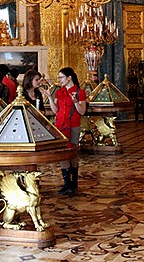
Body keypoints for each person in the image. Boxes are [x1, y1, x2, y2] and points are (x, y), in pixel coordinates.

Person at [41, 67, 86, 195]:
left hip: (73, 125)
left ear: (69, 77)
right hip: (60, 126)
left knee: (72, 153)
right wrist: (49, 97)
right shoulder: (59, 92)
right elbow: (55, 110)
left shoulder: (79, 92)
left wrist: (76, 102)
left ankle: (74, 183)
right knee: (62, 153)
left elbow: (82, 111)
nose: (59, 80)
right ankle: (66, 183)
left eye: (61, 77)